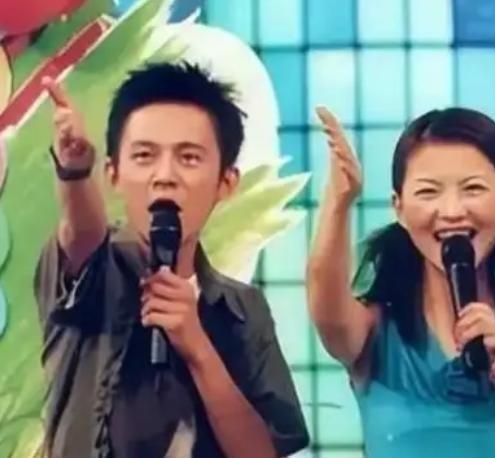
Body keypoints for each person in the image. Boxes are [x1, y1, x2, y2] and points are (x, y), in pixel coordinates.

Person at [34, 62, 309, 457]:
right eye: (144, 156)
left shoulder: (243, 310)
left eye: (189, 158)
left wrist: (198, 347)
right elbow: (81, 234)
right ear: (113, 173)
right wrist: (75, 171)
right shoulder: (93, 271)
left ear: (226, 182)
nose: (165, 176)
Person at [306, 105, 495, 458]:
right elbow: (327, 310)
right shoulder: (374, 330)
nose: (452, 211)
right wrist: (339, 202)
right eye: (429, 192)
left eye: (472, 189)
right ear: (399, 208)